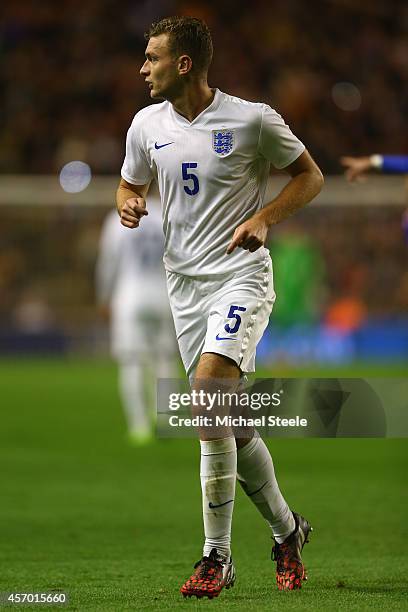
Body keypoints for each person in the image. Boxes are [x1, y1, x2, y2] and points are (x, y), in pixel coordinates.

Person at [117, 16, 323, 598]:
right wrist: (129, 202)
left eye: (152, 57)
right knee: (228, 421)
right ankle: (287, 531)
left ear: (183, 64)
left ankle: (216, 557)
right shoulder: (144, 124)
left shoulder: (252, 119)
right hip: (183, 289)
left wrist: (264, 217)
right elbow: (129, 183)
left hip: (240, 277)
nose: (143, 67)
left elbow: (310, 177)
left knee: (208, 396)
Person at [96, 186, 176, 444]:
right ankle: (165, 419)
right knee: (163, 359)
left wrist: (104, 297)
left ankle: (139, 427)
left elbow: (108, 263)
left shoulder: (116, 218)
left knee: (131, 361)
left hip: (130, 296)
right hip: (163, 295)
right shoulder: (168, 213)